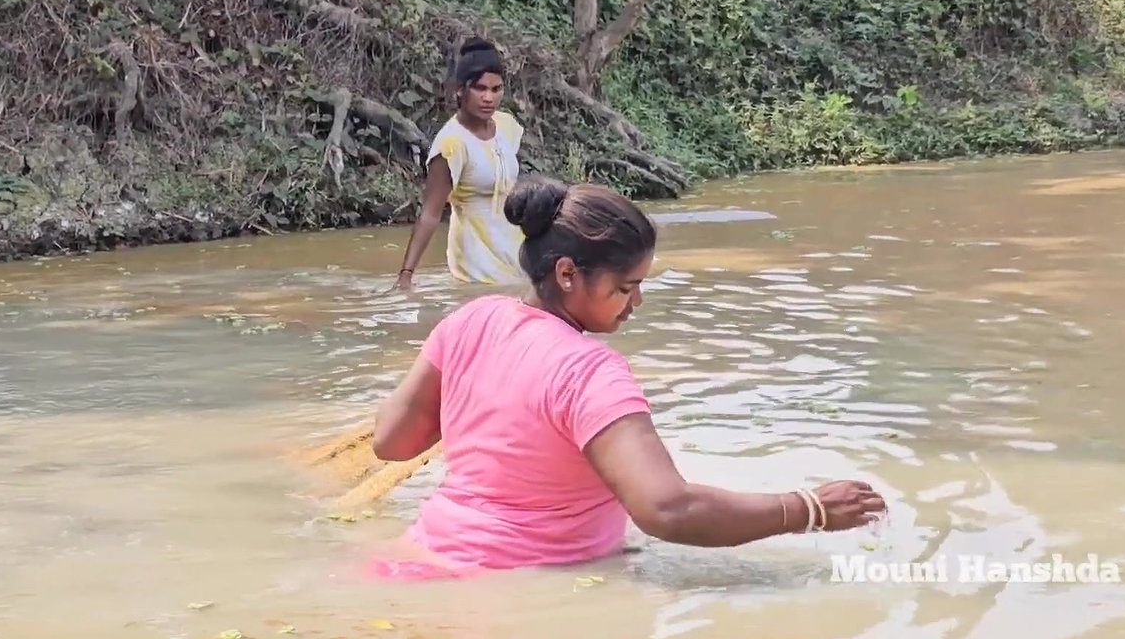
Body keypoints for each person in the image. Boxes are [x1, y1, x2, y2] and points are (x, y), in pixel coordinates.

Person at [369, 177, 887, 578]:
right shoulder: (591, 373)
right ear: (568, 273)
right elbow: (668, 510)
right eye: (626, 287)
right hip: (521, 588)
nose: (636, 303)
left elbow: (391, 442)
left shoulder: (470, 322)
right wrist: (807, 509)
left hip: (422, 557)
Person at [392, 38, 526, 290]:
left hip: (514, 249)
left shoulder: (507, 126)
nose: (489, 97)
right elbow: (430, 214)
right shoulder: (451, 144)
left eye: (496, 89)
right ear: (460, 89)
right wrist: (406, 275)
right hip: (475, 259)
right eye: (480, 88)